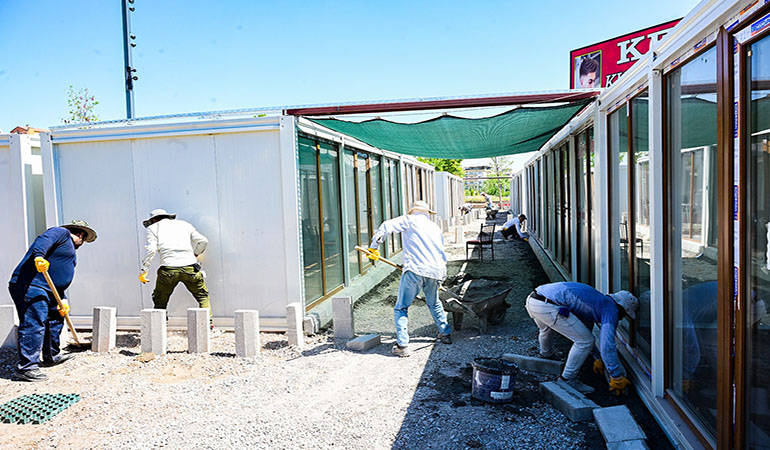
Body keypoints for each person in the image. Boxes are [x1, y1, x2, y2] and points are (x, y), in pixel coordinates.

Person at [8, 220, 97, 382]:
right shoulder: (60, 233)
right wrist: (39, 257)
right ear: (74, 231)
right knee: (34, 322)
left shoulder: (68, 251)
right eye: (79, 233)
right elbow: (44, 240)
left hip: (51, 291)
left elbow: (58, 278)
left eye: (83, 236)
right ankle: (26, 368)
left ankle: (51, 355)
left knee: (55, 319)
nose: (82, 238)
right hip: (32, 284)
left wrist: (63, 299)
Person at [367, 200, 452, 357]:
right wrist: (441, 276)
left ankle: (403, 345)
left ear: (413, 211)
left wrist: (373, 247)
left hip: (415, 270)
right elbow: (440, 252)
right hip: (435, 271)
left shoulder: (410, 220)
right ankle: (445, 334)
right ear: (427, 213)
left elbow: (386, 226)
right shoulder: (435, 227)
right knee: (434, 302)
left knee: (401, 307)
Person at [525, 282, 638, 395]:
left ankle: (546, 355)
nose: (621, 319)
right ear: (622, 308)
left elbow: (585, 331)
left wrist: (597, 357)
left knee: (546, 330)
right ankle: (567, 380)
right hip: (548, 305)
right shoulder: (611, 310)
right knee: (585, 342)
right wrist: (616, 376)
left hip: (533, 299)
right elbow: (607, 346)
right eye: (624, 315)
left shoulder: (595, 303)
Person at [139, 209, 213, 328]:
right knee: (202, 296)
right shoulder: (185, 224)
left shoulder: (153, 228)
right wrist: (195, 254)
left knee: (160, 300)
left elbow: (151, 250)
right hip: (190, 268)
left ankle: (160, 328)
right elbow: (203, 241)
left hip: (168, 270)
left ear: (154, 219)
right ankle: (208, 325)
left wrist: (144, 270)